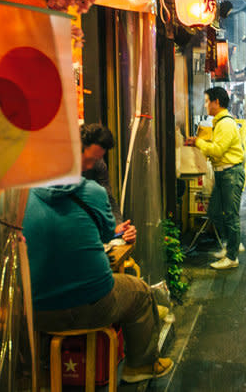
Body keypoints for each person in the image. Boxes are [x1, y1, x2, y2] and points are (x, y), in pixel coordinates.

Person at [23, 124, 173, 383]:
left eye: (95, 160)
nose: (89, 165)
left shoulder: (22, 193)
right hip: (90, 305)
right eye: (86, 158)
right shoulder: (92, 192)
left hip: (35, 309)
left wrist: (115, 227)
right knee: (139, 292)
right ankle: (141, 366)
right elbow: (106, 234)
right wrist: (114, 230)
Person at [185, 87, 246, 270]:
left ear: (216, 102)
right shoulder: (219, 123)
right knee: (214, 212)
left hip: (231, 173)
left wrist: (198, 142)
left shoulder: (226, 124)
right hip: (222, 173)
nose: (205, 105)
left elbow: (218, 150)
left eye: (206, 101)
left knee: (231, 215)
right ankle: (230, 246)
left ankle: (232, 256)